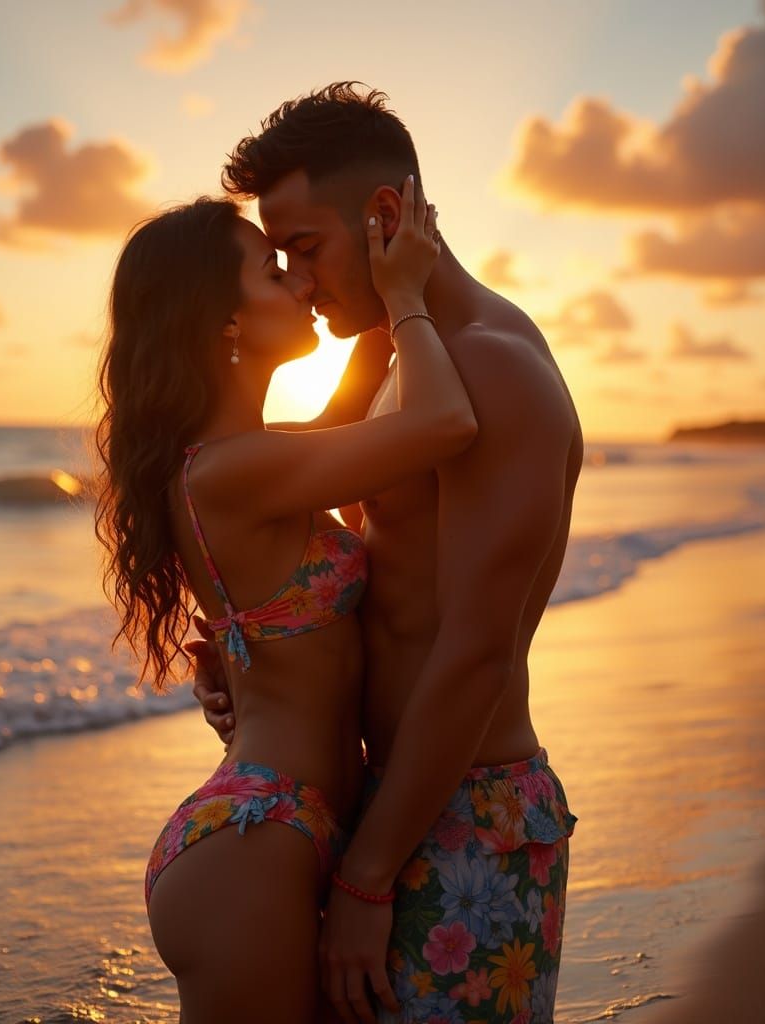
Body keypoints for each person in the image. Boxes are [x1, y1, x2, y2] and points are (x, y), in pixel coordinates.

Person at [193, 82, 582, 1024]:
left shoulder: (492, 364)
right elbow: (295, 498)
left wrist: (367, 877)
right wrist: (262, 664)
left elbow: (478, 650)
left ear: (384, 216)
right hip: (395, 806)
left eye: (305, 248)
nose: (298, 280)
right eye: (279, 258)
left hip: (465, 818)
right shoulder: (400, 357)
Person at [93, 182, 477, 1023]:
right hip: (254, 843)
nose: (300, 282)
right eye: (274, 273)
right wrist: (405, 295)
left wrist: (371, 287)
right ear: (223, 321)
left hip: (284, 830)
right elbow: (445, 422)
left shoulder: (244, 458)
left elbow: (360, 421)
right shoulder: (233, 472)